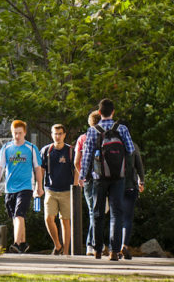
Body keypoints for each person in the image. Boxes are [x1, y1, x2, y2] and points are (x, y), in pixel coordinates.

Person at [80, 98, 136, 261]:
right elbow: (131, 150)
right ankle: (114, 251)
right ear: (113, 112)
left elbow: (87, 155)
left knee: (97, 213)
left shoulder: (93, 130)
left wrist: (83, 175)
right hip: (118, 177)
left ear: (99, 112)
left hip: (99, 177)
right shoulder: (122, 129)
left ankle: (97, 249)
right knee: (116, 213)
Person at [0, 120, 42, 255]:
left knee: (19, 214)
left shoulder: (31, 148)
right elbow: (0, 168)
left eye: (20, 133)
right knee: (16, 217)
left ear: (25, 132)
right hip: (10, 188)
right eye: (15, 133)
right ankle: (23, 243)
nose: (17, 136)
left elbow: (38, 169)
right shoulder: (6, 148)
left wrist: (39, 186)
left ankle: (16, 243)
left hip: (26, 187)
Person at [38, 124, 75, 256]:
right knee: (48, 218)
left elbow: (76, 169)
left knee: (65, 221)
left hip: (66, 190)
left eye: (60, 133)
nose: (57, 136)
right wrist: (38, 186)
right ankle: (57, 245)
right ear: (52, 134)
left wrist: (75, 186)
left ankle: (65, 252)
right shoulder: (46, 150)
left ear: (64, 135)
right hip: (50, 190)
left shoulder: (70, 150)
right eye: (55, 133)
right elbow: (41, 170)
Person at [74, 110, 101, 256]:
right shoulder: (105, 136)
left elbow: (76, 161)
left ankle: (92, 244)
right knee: (100, 212)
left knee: (92, 211)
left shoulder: (82, 138)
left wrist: (81, 176)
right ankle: (95, 243)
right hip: (104, 178)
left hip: (88, 179)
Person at [119, 146, 145, 260]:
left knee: (116, 218)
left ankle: (115, 248)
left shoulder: (109, 143)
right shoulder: (132, 146)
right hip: (130, 187)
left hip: (115, 187)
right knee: (127, 219)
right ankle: (124, 245)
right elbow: (139, 166)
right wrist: (141, 181)